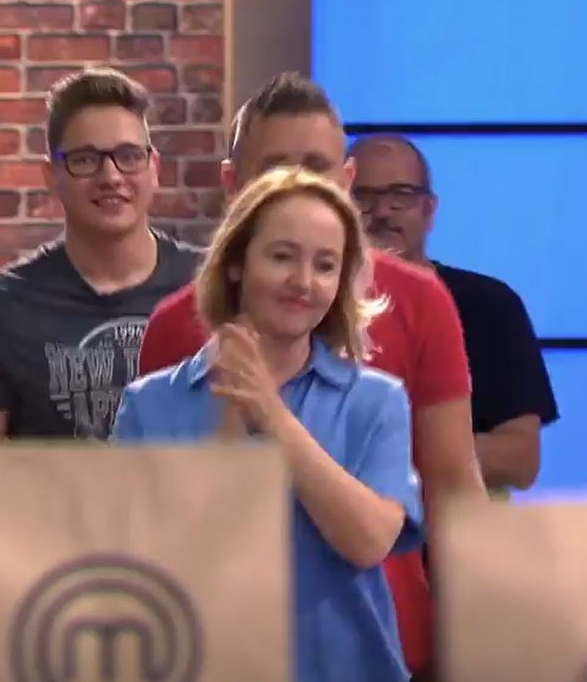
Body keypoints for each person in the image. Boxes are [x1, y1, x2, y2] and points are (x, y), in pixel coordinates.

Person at [135, 73, 483, 681]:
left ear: (347, 179)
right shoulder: (172, 329)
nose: (296, 188)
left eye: (317, 169)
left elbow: (452, 483)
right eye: (274, 171)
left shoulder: (420, 304)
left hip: (382, 647)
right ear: (233, 186)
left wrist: (491, 634)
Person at [115, 166, 419, 682]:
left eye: (325, 265)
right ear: (237, 263)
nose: (303, 281)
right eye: (282, 257)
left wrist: (271, 415)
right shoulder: (149, 405)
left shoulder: (377, 402)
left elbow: (368, 542)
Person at [0, 67, 201, 441]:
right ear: (51, 175)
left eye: (128, 156)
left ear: (153, 167)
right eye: (85, 160)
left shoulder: (212, 287)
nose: (111, 177)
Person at [350, 134, 558, 495]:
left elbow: (520, 459)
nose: (382, 212)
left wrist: (386, 450)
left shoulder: (490, 305)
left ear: (429, 210)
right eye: (363, 198)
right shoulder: (314, 306)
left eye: (401, 195)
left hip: (461, 525)